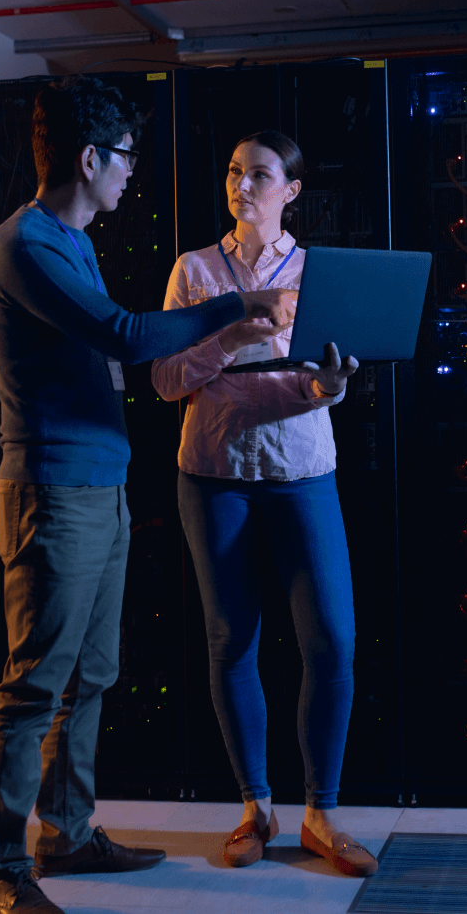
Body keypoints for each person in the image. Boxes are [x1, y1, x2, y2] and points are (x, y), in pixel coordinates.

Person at [0, 78, 296, 914]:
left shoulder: (72, 241)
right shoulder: (24, 247)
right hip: (52, 489)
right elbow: (123, 333)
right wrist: (236, 306)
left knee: (92, 675)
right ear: (89, 158)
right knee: (34, 685)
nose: (130, 176)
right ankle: (0, 870)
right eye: (124, 159)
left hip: (99, 487)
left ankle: (69, 836)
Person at [151, 130, 379, 878]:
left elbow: (315, 379)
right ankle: (256, 809)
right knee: (231, 643)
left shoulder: (319, 273)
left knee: (332, 642)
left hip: (302, 470)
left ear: (290, 190)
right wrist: (229, 337)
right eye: (232, 172)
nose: (240, 184)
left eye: (257, 174)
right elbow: (165, 382)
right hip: (212, 474)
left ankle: (321, 814)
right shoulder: (194, 270)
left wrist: (327, 388)